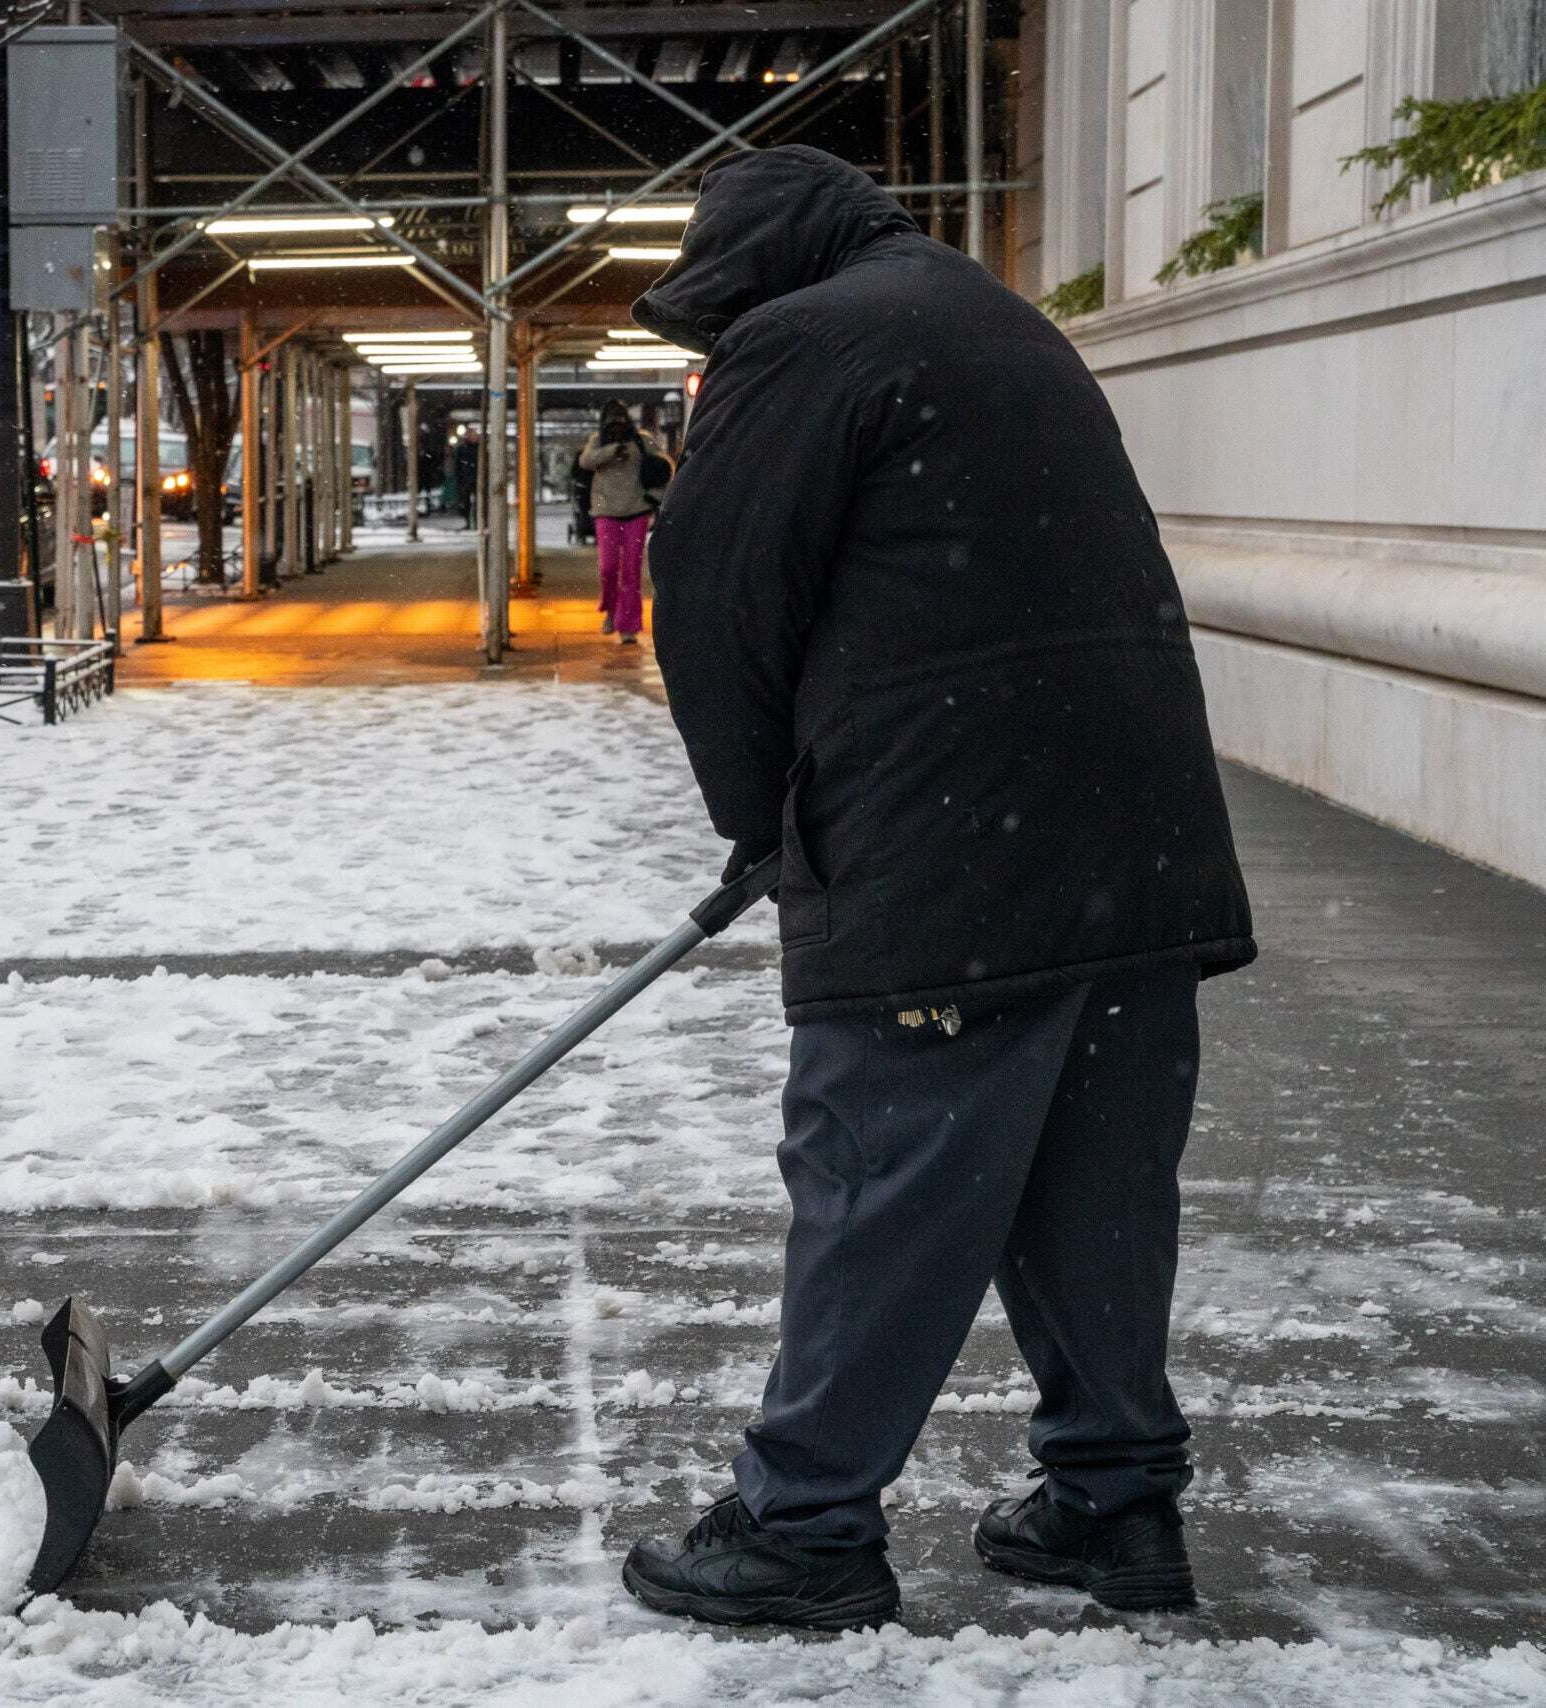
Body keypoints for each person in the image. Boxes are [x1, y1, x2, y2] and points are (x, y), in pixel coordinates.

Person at [619, 144, 1256, 1631]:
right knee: (1092, 1180)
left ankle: (804, 1528)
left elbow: (714, 602)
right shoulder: (998, 321)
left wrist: (763, 817)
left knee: (880, 1174)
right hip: (1136, 844)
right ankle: (1114, 1508)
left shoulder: (800, 341)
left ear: (755, 272)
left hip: (952, 842)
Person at [575, 400, 665, 643]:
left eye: (621, 422)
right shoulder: (598, 441)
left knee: (632, 572)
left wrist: (654, 498)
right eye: (612, 423)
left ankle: (629, 626)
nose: (617, 427)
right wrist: (611, 450)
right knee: (608, 567)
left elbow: (663, 467)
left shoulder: (642, 440)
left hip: (637, 510)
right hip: (606, 511)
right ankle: (612, 610)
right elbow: (585, 461)